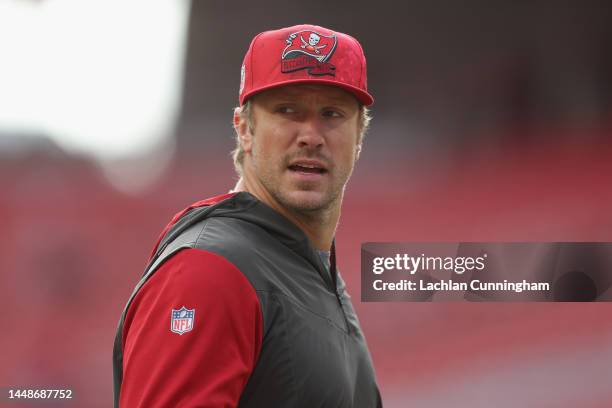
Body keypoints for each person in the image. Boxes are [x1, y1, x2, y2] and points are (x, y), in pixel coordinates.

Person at [113, 24, 382, 407]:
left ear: (359, 137)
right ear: (244, 130)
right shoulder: (210, 269)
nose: (311, 135)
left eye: (332, 114)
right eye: (287, 111)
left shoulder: (307, 268)